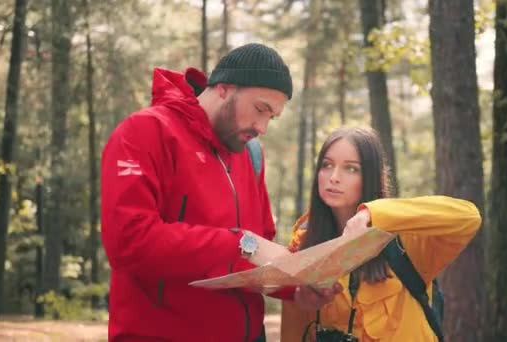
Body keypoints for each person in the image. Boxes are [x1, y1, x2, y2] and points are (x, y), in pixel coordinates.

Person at [100, 43, 333, 342]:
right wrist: (238, 244)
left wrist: (297, 287)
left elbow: (258, 252)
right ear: (223, 88)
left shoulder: (249, 154)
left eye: (272, 117)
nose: (262, 127)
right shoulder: (145, 131)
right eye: (260, 109)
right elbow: (129, 241)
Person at [281, 127, 482, 342]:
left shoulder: (403, 240)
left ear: (371, 177)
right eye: (327, 165)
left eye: (351, 169)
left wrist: (372, 213)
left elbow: (469, 217)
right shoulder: (304, 244)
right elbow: (294, 330)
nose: (334, 177)